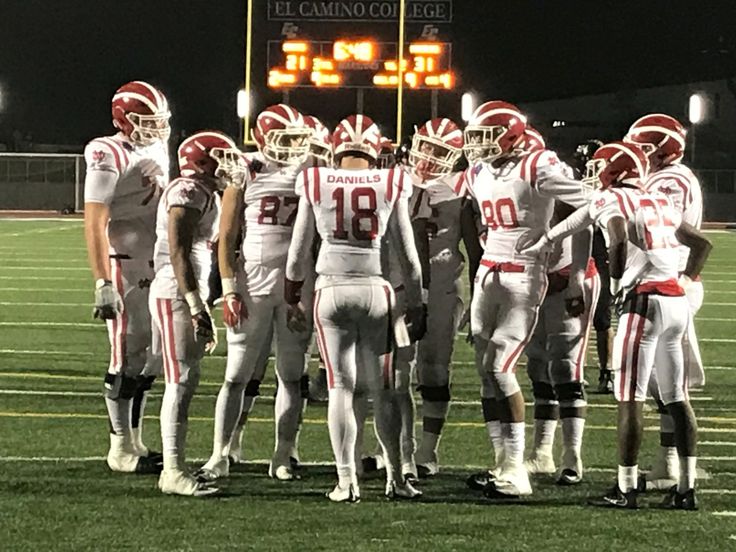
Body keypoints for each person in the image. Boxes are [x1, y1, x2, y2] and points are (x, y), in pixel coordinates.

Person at [518, 141, 712, 509]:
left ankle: (625, 488)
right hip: (675, 302)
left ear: (616, 171)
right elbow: (700, 243)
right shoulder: (660, 201)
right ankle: (685, 488)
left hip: (643, 302)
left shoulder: (614, 201)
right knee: (676, 398)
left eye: (601, 167)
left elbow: (618, 234)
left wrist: (617, 281)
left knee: (629, 398)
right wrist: (686, 279)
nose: (595, 174)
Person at [285, 114, 425, 502]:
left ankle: (346, 481)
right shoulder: (391, 179)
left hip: (331, 289)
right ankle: (396, 477)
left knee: (340, 388)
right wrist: (416, 300)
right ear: (376, 151)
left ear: (335, 148)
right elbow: (408, 257)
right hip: (375, 289)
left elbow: (298, 253)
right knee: (382, 389)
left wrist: (291, 293)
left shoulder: (315, 179)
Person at [457, 100, 590, 499]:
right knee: (485, 369)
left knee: (500, 365)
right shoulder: (479, 171)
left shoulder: (538, 165)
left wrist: (550, 238)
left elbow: (591, 202)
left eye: (486, 137)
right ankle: (502, 463)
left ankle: (518, 470)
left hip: (522, 274)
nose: (478, 146)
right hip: (487, 272)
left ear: (510, 136)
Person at [199, 104, 314, 482]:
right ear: (264, 139)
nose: (294, 148)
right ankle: (220, 452)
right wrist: (229, 289)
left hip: (299, 283)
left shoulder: (312, 169)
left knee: (291, 375)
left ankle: (284, 453)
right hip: (254, 280)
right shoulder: (245, 168)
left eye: (298, 140)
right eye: (286, 140)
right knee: (236, 375)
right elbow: (227, 237)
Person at [83, 81, 170, 473]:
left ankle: (135, 440)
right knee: (125, 353)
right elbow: (95, 219)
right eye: (145, 121)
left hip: (157, 257)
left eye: (158, 120)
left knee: (152, 355)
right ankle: (119, 448)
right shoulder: (107, 151)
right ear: (124, 120)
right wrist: (102, 281)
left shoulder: (156, 146)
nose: (154, 128)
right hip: (124, 260)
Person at [151, 130, 243, 496]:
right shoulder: (188, 191)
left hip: (183, 292)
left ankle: (174, 467)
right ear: (202, 161)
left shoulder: (205, 192)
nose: (228, 164)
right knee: (181, 380)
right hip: (175, 292)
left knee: (184, 379)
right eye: (221, 157)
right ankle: (172, 471)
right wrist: (193, 304)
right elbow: (178, 251)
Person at [624, 114, 705, 490]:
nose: (635, 154)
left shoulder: (668, 181)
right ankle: (670, 467)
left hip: (662, 285)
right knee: (666, 389)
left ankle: (666, 465)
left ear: (665, 151)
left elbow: (660, 233)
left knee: (657, 388)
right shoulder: (667, 177)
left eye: (643, 148)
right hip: (670, 285)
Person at [520, 128, 600, 486]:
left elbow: (586, 221)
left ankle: (573, 457)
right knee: (537, 364)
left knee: (566, 365)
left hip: (566, 275)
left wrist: (577, 277)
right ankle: (541, 452)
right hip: (532, 280)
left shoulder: (557, 180)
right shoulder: (503, 180)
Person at [573, 139, 614, 394]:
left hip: (603, 250)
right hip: (584, 250)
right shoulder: (575, 187)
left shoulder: (616, 190)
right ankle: (577, 370)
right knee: (578, 314)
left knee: (602, 316)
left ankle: (607, 371)